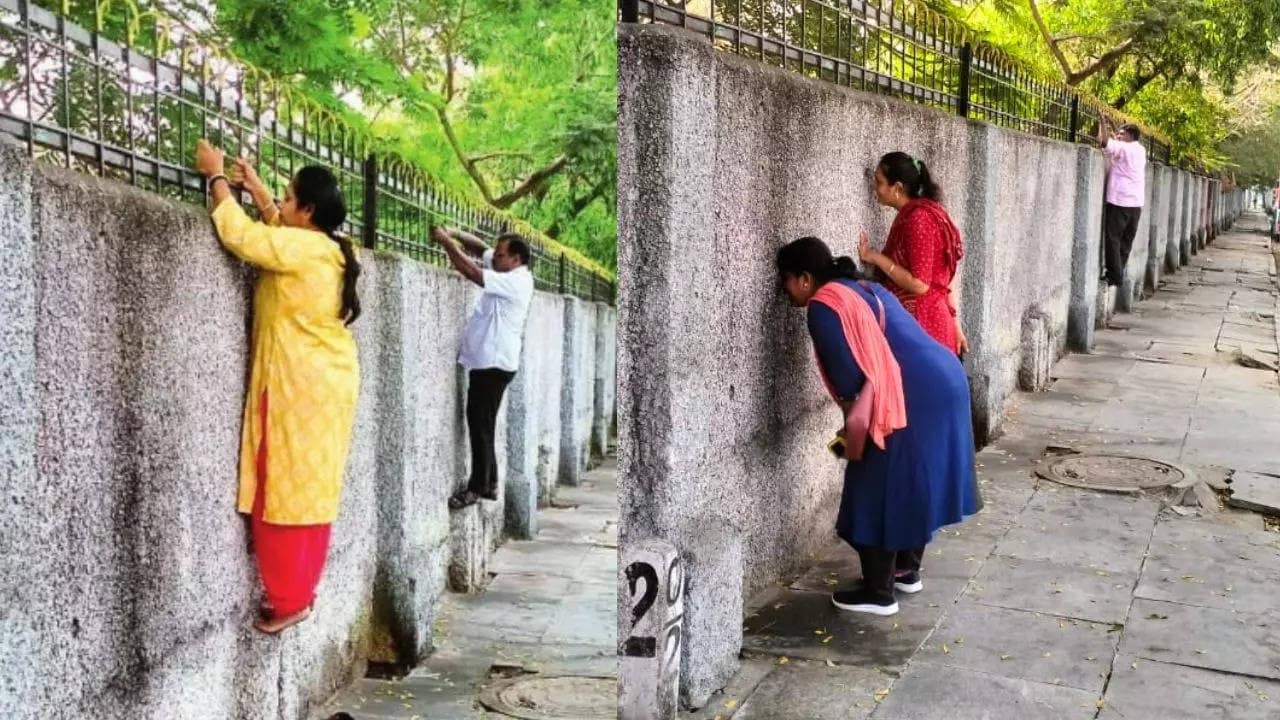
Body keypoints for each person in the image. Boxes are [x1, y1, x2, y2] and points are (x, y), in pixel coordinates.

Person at [194, 139, 361, 634]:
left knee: (283, 491)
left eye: (288, 199)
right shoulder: (322, 247)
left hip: (300, 388)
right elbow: (278, 238)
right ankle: (297, 594)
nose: (282, 206)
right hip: (321, 384)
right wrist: (264, 195)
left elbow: (242, 238)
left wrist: (216, 176)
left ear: (307, 211)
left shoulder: (306, 248)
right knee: (309, 491)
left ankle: (289, 600)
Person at [777, 236, 977, 616]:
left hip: (911, 393)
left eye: (785, 281)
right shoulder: (865, 288)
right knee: (912, 480)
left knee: (874, 482)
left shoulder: (823, 306)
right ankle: (905, 570)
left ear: (804, 279)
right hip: (944, 379)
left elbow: (855, 386)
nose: (785, 292)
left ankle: (878, 592)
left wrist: (850, 441)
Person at [431, 226, 535, 510]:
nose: (495, 258)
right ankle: (489, 483)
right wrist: (457, 233)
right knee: (483, 422)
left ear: (515, 259)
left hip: (494, 363)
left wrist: (447, 243)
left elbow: (472, 272)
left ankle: (478, 486)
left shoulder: (517, 281)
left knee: (479, 422)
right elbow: (481, 250)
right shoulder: (507, 270)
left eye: (501, 255)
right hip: (490, 361)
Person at [857, 152, 968, 357]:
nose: (875, 187)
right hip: (932, 322)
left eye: (879, 181)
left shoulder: (919, 219)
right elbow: (946, 279)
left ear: (897, 188)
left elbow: (920, 284)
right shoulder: (927, 213)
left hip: (923, 325)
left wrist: (875, 257)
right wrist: (955, 325)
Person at [1098, 121, 1148, 287]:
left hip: (1120, 201)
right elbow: (1115, 145)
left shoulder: (1124, 149)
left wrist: (1102, 122)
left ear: (1129, 135)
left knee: (1113, 239)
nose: (1118, 136)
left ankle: (1115, 276)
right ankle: (1119, 272)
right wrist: (1114, 127)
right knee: (1126, 241)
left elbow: (1103, 142)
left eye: (1121, 134)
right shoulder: (1141, 150)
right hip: (1136, 204)